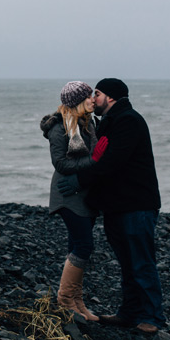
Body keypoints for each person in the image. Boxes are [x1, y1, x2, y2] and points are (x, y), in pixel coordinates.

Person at [58, 78, 165, 334]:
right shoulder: (109, 122)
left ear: (112, 97)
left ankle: (151, 317)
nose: (93, 98)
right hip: (118, 205)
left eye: (98, 93)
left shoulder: (128, 120)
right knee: (127, 262)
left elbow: (112, 162)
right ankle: (129, 313)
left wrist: (78, 182)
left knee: (141, 261)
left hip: (137, 205)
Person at [40, 81, 106, 321]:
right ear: (77, 102)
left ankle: (77, 302)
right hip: (67, 194)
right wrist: (94, 160)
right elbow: (60, 163)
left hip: (85, 194)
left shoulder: (88, 125)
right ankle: (65, 299)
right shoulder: (60, 128)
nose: (92, 100)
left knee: (77, 246)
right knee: (84, 246)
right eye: (88, 96)